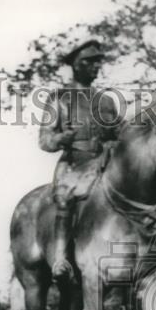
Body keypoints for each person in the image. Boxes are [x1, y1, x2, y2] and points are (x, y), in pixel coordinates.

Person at [38, 38, 121, 279]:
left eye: (98, 63)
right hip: (74, 164)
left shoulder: (106, 100)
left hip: (104, 164)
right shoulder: (59, 99)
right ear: (75, 65)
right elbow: (44, 141)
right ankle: (61, 259)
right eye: (89, 62)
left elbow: (120, 133)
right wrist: (63, 137)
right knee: (65, 197)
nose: (95, 67)